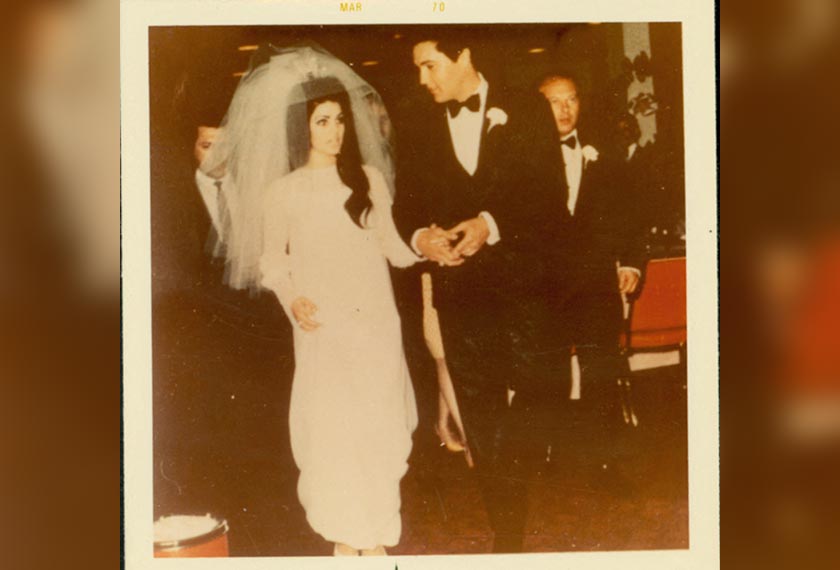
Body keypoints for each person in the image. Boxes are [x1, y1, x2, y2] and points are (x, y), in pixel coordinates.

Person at [205, 45, 420, 557]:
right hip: (325, 329)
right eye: (323, 121)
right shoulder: (283, 193)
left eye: (340, 120)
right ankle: (347, 536)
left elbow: (391, 245)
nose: (335, 131)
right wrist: (293, 299)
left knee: (379, 425)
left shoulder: (367, 180)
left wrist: (425, 247)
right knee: (333, 431)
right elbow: (273, 263)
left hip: (375, 326)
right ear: (303, 128)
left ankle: (378, 537)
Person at [393, 32, 565, 552]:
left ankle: (525, 474)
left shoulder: (526, 108)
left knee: (534, 402)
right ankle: (507, 533)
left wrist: (490, 223)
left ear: (464, 56)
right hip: (461, 293)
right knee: (483, 417)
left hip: (525, 292)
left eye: (430, 66)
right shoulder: (417, 119)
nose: (423, 80)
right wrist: (421, 237)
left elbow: (549, 195)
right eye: (419, 70)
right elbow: (404, 203)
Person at [538, 74, 647, 485]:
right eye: (554, 102)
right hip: (544, 283)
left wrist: (631, 262)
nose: (565, 110)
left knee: (600, 369)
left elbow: (633, 215)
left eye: (571, 100)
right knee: (545, 371)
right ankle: (545, 455)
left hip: (594, 280)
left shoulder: (606, 154)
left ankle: (606, 462)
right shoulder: (522, 156)